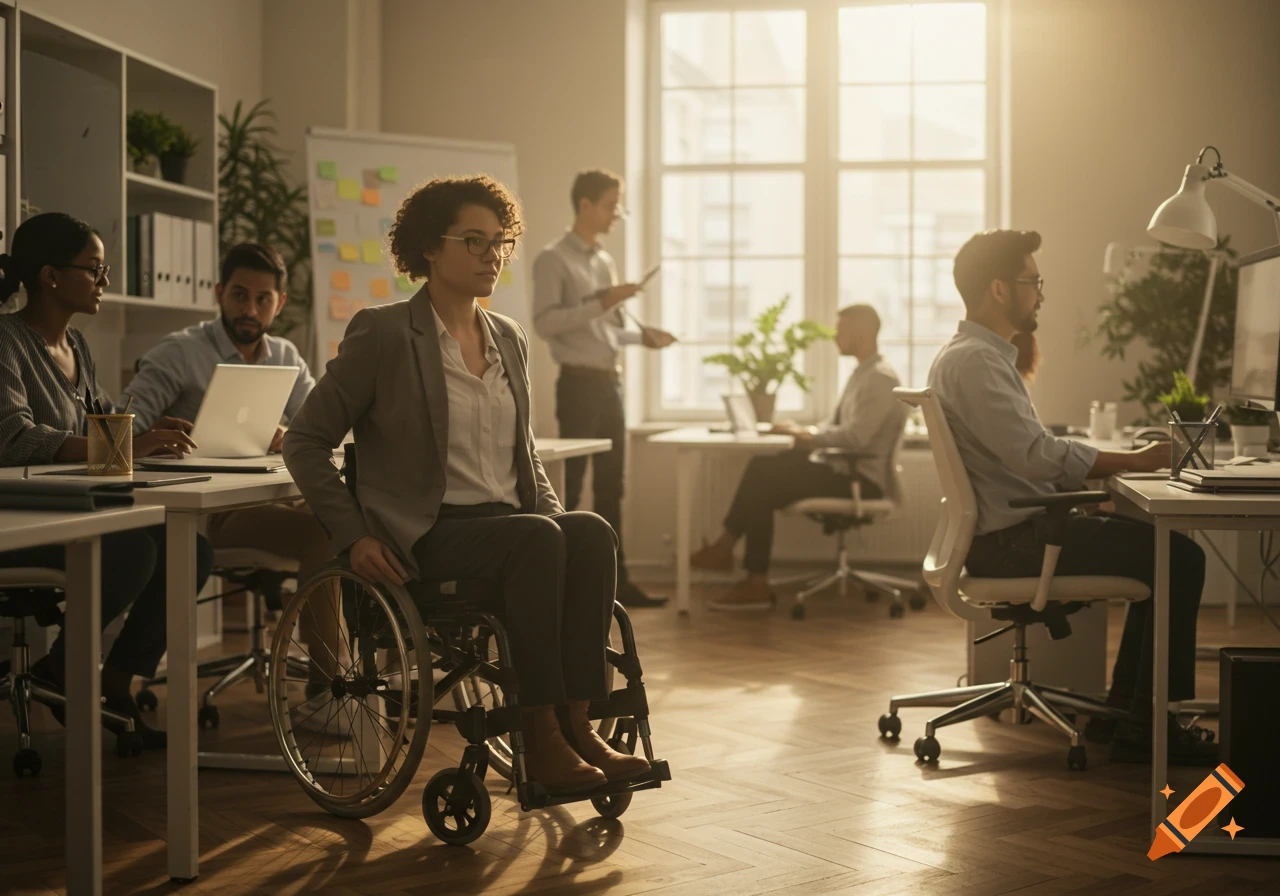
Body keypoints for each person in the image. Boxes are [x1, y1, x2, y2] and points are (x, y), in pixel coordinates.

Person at [284, 174, 652, 792]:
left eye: (500, 242)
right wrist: (351, 537)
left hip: (511, 525)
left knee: (589, 531)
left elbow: (524, 454)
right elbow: (305, 441)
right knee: (537, 539)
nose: (493, 256)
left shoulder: (508, 336)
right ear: (429, 247)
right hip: (429, 534)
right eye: (475, 241)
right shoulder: (383, 333)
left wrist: (560, 523)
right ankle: (540, 742)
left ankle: (577, 725)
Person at [928, 229, 1214, 765]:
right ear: (998, 288)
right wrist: (1130, 462)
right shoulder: (977, 362)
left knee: (1164, 551)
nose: (1040, 292)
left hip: (1011, 534)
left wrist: (1088, 487)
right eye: (1032, 281)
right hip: (1016, 544)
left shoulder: (975, 356)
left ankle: (1132, 712)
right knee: (1179, 556)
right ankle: (1148, 721)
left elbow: (1023, 458)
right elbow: (1033, 455)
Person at [0, 212, 214, 748]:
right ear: (50, 276)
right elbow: (13, 437)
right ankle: (64, 669)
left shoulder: (79, 348)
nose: (104, 280)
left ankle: (114, 682)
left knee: (192, 550)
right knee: (133, 552)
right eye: (94, 268)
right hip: (22, 517)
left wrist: (148, 432)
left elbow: (102, 427)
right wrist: (123, 446)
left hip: (74, 509)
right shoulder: (6, 341)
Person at [122, 242, 338, 711]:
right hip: (204, 515)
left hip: (264, 501)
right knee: (326, 535)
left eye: (263, 299)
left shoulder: (285, 355)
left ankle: (354, 671)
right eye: (240, 295)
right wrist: (159, 437)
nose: (250, 309)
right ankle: (329, 690)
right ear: (220, 293)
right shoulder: (180, 352)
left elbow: (323, 428)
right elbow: (123, 427)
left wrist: (289, 434)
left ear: (279, 303)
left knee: (348, 515)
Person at [690, 305, 904, 609]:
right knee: (764, 472)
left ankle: (734, 558)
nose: (834, 336)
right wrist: (804, 432)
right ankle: (748, 573)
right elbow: (843, 429)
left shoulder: (880, 378)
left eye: (840, 330)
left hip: (860, 480)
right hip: (844, 469)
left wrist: (809, 437)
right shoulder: (863, 373)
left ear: (860, 333)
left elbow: (857, 438)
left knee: (764, 475)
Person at [532, 169, 677, 609]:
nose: (617, 214)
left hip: (611, 382)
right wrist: (604, 301)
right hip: (577, 383)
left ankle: (616, 582)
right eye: (612, 205)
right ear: (586, 206)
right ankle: (561, 582)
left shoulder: (602, 260)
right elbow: (545, 323)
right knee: (570, 486)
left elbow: (607, 331)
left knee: (614, 485)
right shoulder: (552, 258)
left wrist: (641, 337)